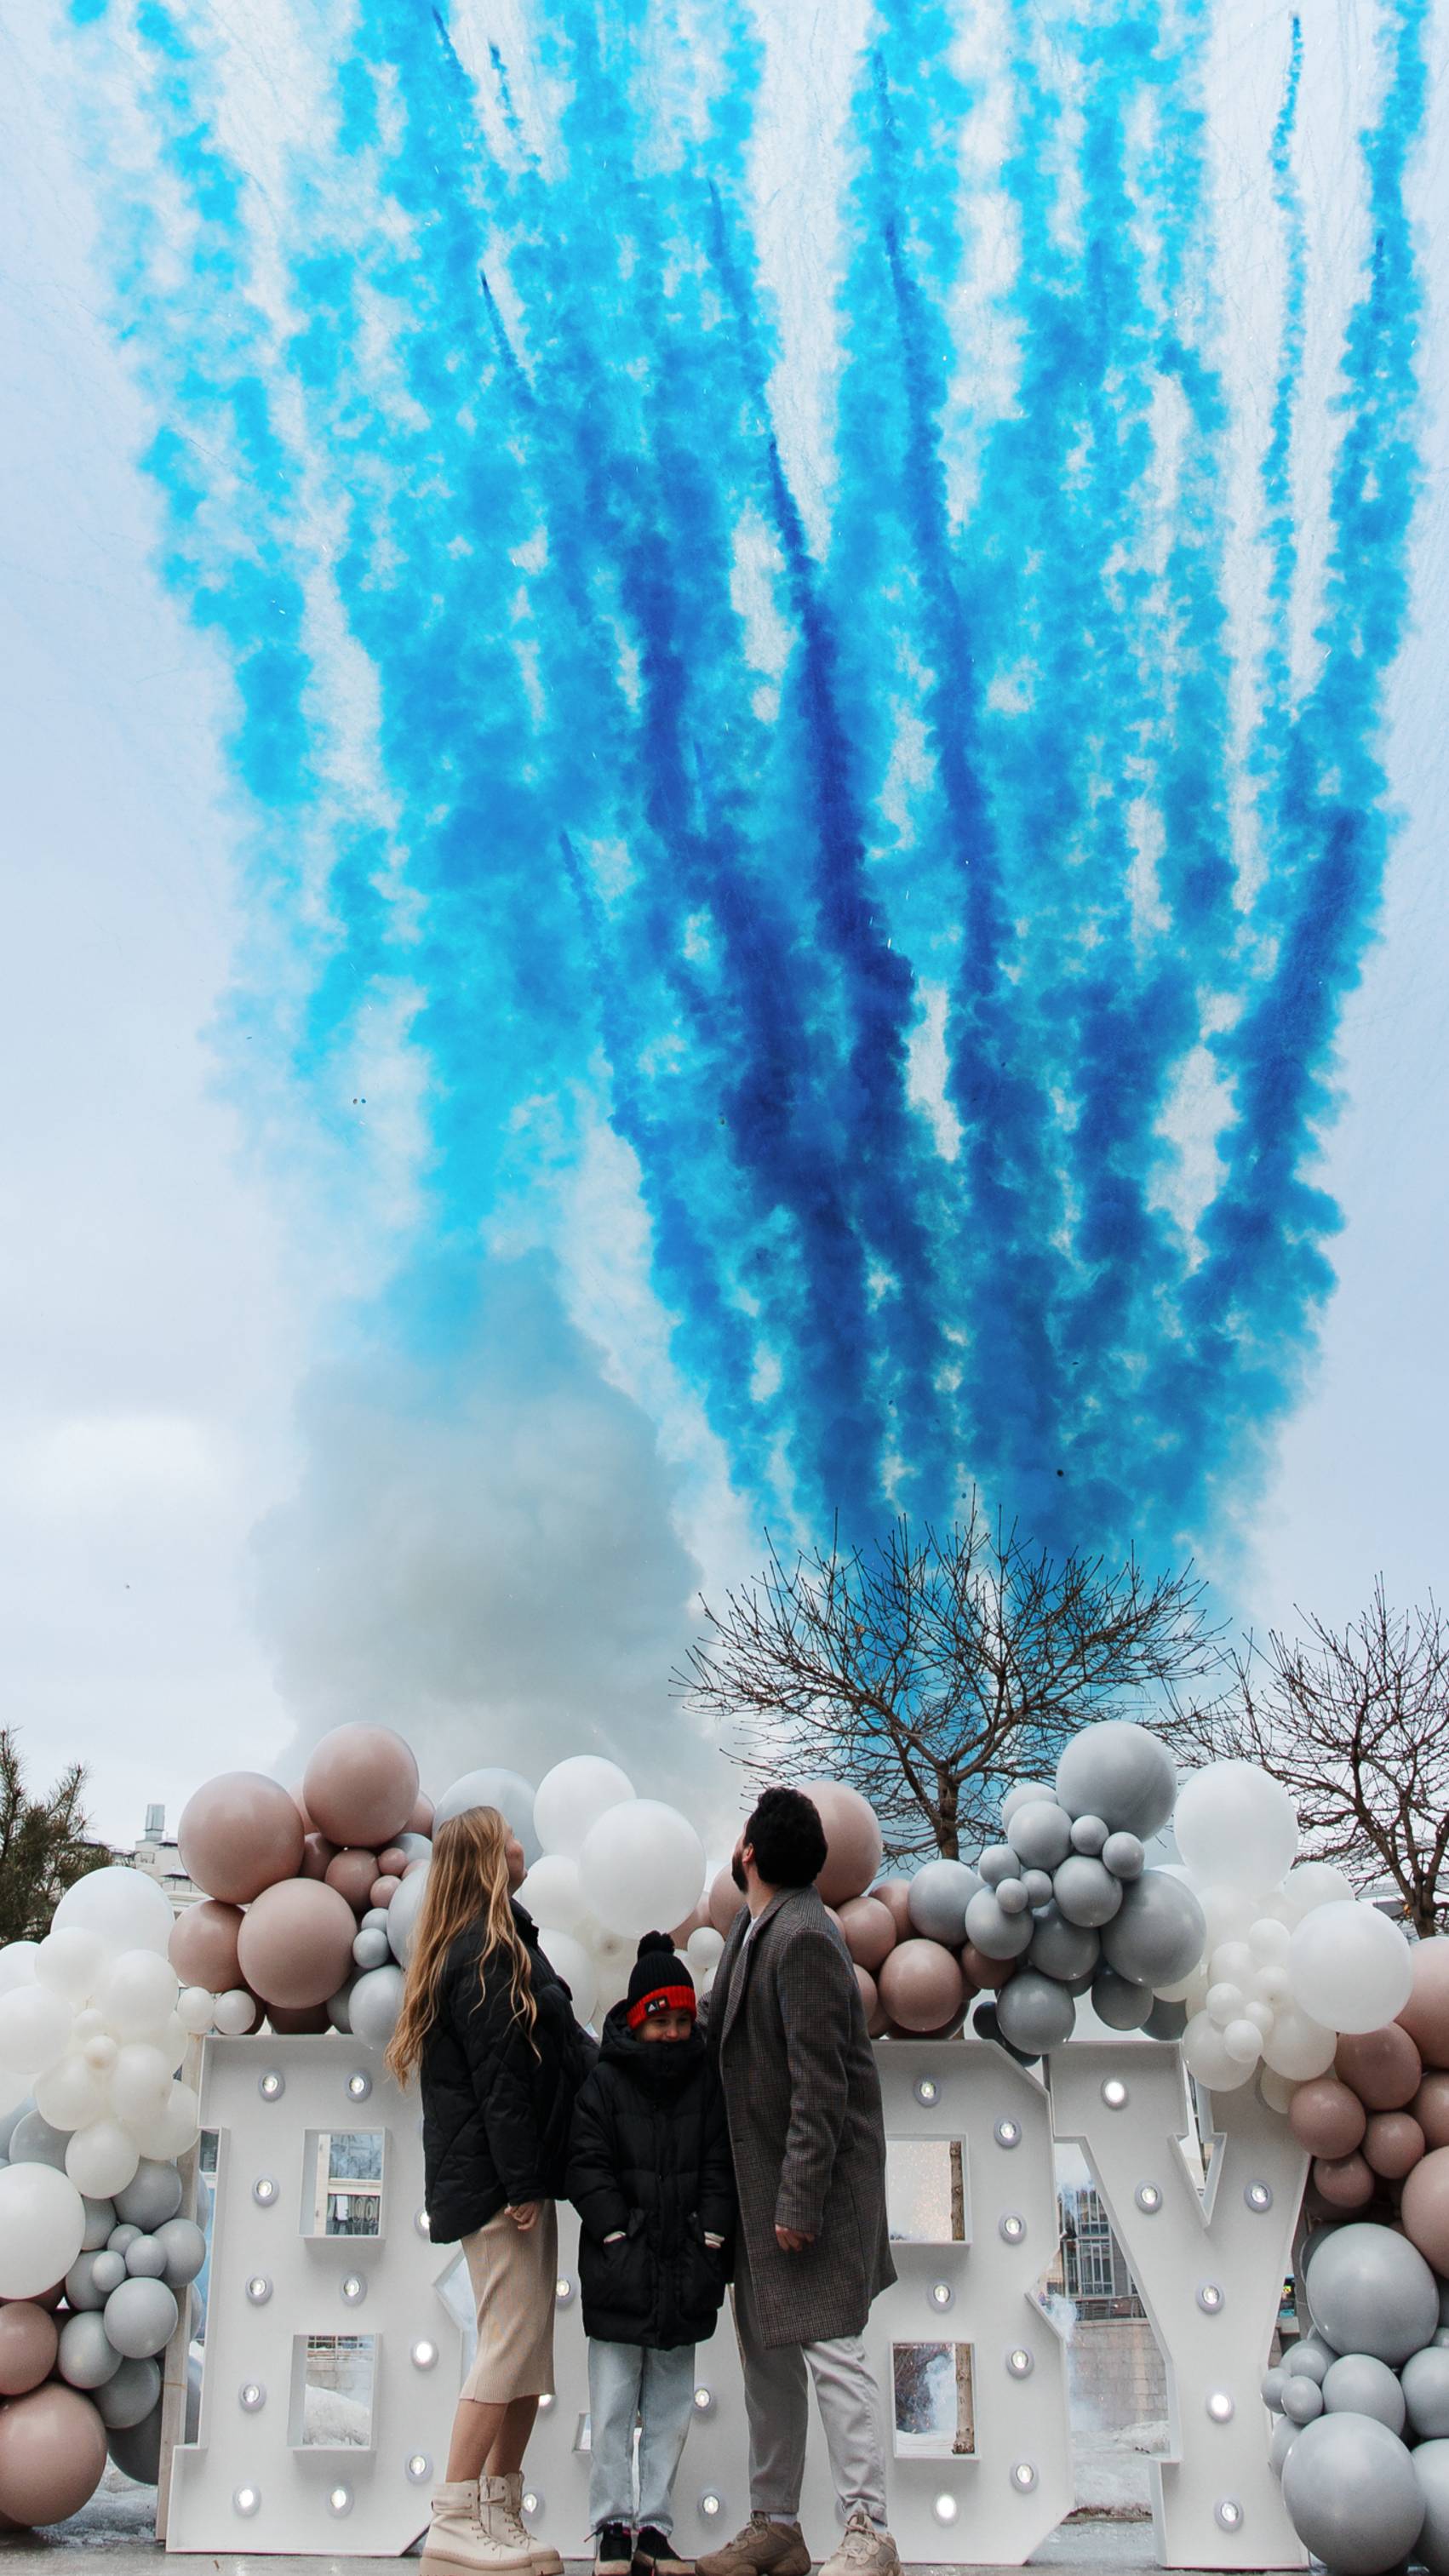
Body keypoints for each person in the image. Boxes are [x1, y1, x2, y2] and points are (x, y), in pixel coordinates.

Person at [698, 1788, 898, 2576]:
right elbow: (719, 2027)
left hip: (808, 2194)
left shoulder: (808, 1937)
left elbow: (823, 2087)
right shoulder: (756, 1926)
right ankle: (776, 2525)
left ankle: (867, 2530)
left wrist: (800, 2200)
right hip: (763, 2190)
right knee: (769, 2360)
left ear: (748, 1850)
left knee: (833, 2354)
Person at [387, 1806, 593, 2576]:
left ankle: (497, 2509)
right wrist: (521, 2183)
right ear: (485, 1857)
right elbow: (500, 2083)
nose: (520, 1844)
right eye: (508, 1836)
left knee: (528, 2358)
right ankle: (453, 2514)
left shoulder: (504, 1938)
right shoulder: (485, 1950)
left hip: (514, 2178)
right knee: (506, 2348)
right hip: (503, 2184)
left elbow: (557, 2050)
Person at [569, 1932, 736, 2576]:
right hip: (621, 2271)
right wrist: (614, 2231)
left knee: (668, 2410)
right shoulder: (605, 2083)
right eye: (659, 2020)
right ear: (637, 2020)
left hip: (685, 2270)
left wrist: (712, 2238)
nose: (671, 2033)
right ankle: (612, 2525)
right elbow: (587, 2163)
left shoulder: (706, 2085)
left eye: (681, 2020)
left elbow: (721, 2166)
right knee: (611, 2406)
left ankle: (655, 2528)